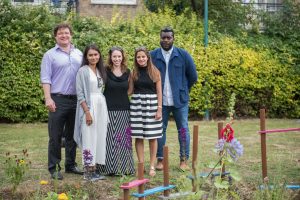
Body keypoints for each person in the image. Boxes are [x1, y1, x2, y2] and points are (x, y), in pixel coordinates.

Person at [150, 26, 198, 171]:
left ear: (173, 38)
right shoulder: (152, 55)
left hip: (180, 101)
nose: (165, 40)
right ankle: (160, 160)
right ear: (160, 38)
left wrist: (183, 89)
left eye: (168, 37)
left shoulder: (183, 55)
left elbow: (193, 76)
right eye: (163, 37)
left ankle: (184, 160)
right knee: (159, 130)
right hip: (160, 102)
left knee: (183, 129)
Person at [40, 23, 83, 180]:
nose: (64, 35)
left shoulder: (79, 53)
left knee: (72, 135)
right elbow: (45, 78)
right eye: (60, 33)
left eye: (66, 33)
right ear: (55, 36)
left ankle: (70, 165)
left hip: (76, 100)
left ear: (71, 34)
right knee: (55, 135)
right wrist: (48, 98)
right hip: (57, 99)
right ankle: (54, 167)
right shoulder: (49, 55)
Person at [97, 46, 135, 176]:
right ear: (110, 58)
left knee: (124, 139)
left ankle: (124, 168)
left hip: (124, 109)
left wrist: (121, 95)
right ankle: (107, 168)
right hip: (107, 108)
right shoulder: (105, 71)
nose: (117, 59)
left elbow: (130, 90)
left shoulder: (128, 71)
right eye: (114, 56)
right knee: (108, 139)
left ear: (122, 57)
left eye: (119, 56)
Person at [74, 44, 109, 181]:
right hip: (89, 106)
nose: (93, 57)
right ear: (86, 57)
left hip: (101, 105)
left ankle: (94, 169)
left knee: (99, 136)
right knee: (88, 137)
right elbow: (80, 93)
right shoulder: (83, 71)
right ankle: (88, 171)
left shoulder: (101, 71)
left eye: (96, 54)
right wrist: (87, 112)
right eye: (90, 55)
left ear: (99, 55)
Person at [129, 46, 163, 177]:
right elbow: (130, 91)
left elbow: (159, 91)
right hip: (137, 105)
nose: (141, 59)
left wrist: (159, 109)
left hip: (152, 105)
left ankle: (152, 166)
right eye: (138, 57)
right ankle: (141, 165)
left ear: (148, 57)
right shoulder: (133, 73)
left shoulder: (155, 72)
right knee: (138, 136)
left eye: (143, 56)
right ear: (136, 59)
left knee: (152, 136)